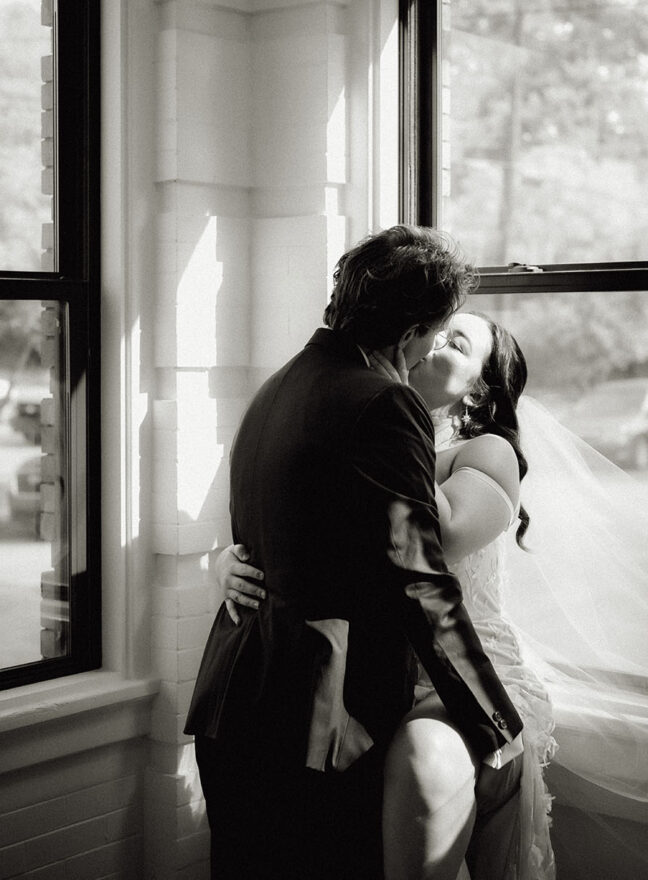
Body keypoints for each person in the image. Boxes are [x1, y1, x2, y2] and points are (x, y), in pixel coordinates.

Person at [184, 226, 524, 880]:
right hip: (314, 720)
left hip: (232, 704)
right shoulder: (381, 402)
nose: (430, 349)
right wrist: (493, 724)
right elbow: (419, 581)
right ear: (409, 333)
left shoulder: (278, 387)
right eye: (436, 331)